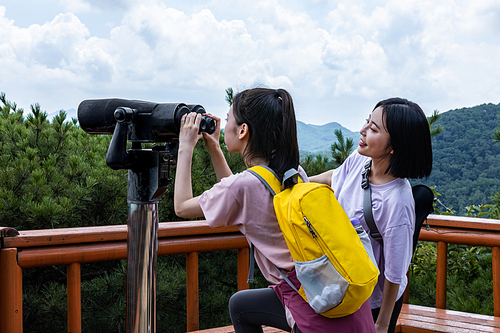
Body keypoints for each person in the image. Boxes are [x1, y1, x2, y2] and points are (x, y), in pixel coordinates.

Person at [174, 88, 376, 333]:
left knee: (241, 306)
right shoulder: (294, 172)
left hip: (311, 302)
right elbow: (238, 195)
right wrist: (215, 148)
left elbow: (182, 207)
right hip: (334, 287)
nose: (224, 124)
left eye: (228, 119)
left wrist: (185, 147)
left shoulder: (243, 187)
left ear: (242, 130)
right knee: (241, 305)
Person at [310, 97, 433, 333]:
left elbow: (395, 274)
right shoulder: (361, 160)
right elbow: (334, 177)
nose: (363, 130)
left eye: (373, 129)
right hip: (344, 285)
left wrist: (383, 323)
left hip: (374, 301)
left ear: (394, 146)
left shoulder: (397, 201)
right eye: (367, 121)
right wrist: (298, 182)